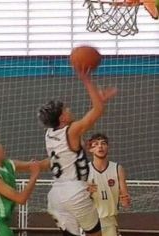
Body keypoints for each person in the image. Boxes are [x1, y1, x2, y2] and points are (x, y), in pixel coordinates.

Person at [38, 70, 117, 236]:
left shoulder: (49, 134)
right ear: (62, 119)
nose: (69, 110)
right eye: (65, 109)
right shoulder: (71, 131)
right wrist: (86, 79)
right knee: (95, 234)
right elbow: (97, 111)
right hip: (75, 191)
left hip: (56, 196)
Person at [0, 131, 49, 236]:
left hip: (2, 226)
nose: (0, 145)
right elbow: (21, 199)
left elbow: (38, 165)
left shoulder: (6, 164)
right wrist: (34, 176)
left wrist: (62, 152)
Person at [87, 133, 131, 236]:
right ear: (90, 149)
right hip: (90, 221)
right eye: (96, 144)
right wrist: (85, 191)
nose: (100, 146)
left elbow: (125, 201)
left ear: (108, 147)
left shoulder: (117, 168)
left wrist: (125, 200)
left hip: (110, 221)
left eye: (103, 143)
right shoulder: (85, 170)